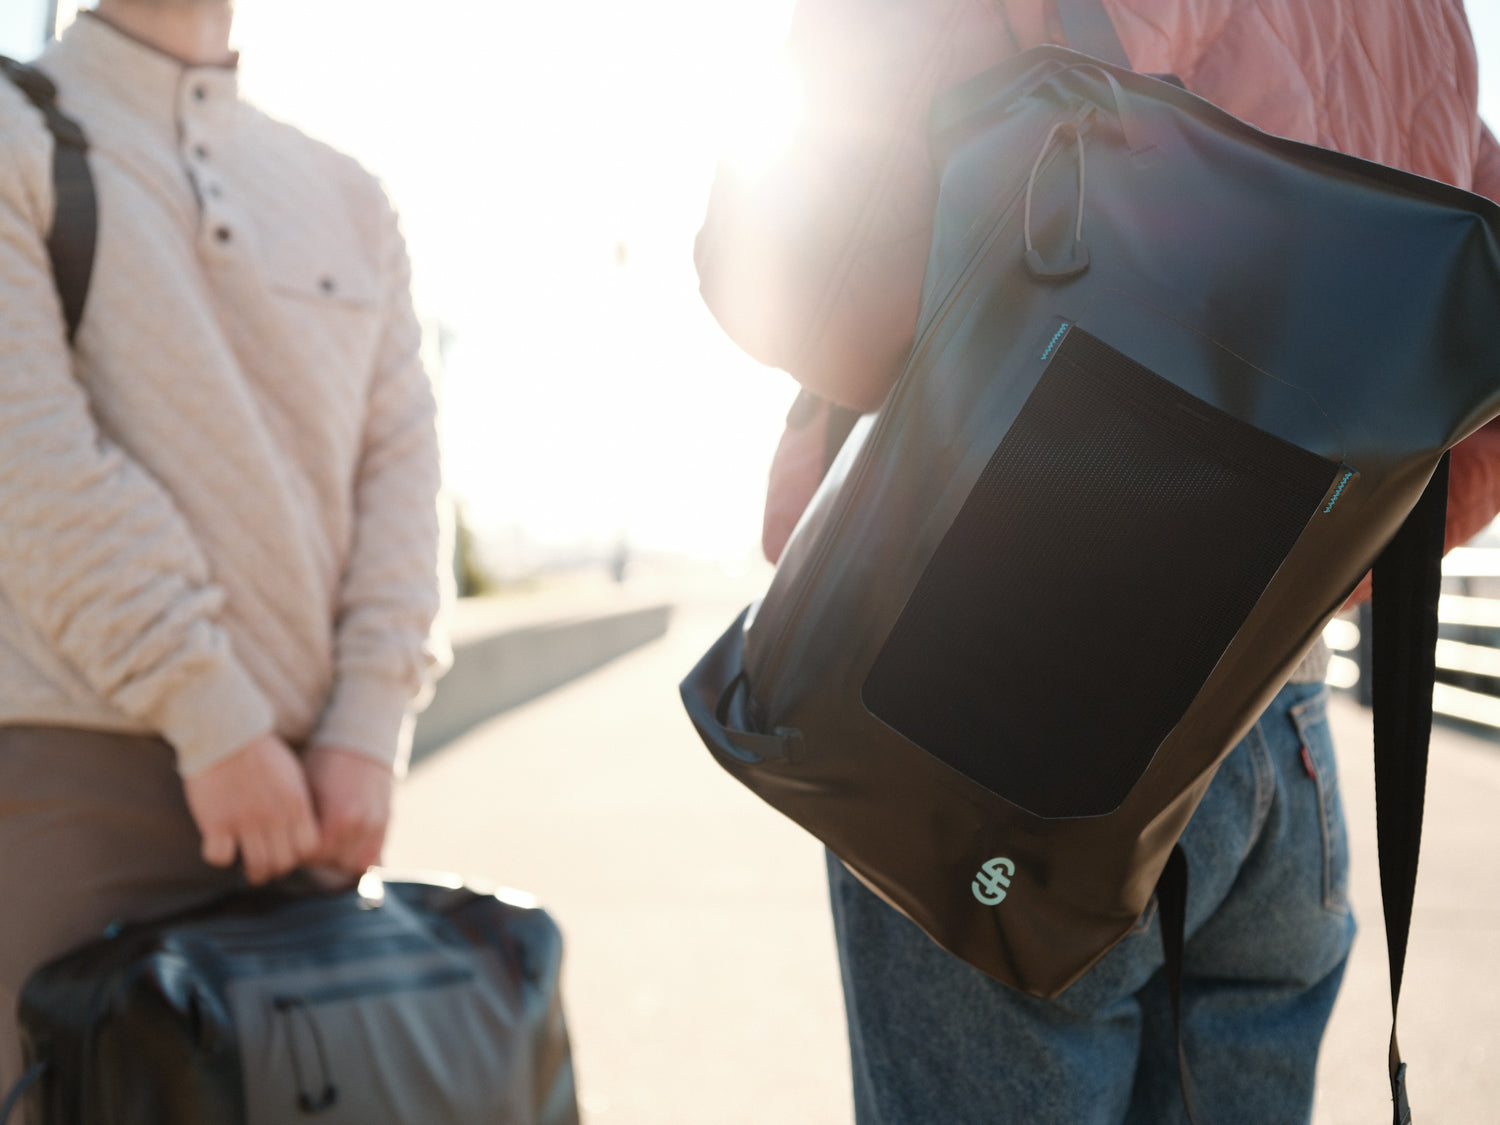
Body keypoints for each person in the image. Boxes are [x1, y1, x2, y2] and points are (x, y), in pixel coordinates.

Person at [695, 1, 1500, 1121]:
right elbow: (1468, 420)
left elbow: (795, 281)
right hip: (1278, 748)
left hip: (988, 711)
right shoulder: (1435, 24)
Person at [0, 0, 448, 1092]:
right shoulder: (11, 131)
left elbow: (404, 472)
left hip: (319, 796)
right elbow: (29, 459)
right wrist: (210, 714)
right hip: (75, 775)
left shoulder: (351, 197)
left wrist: (367, 722)